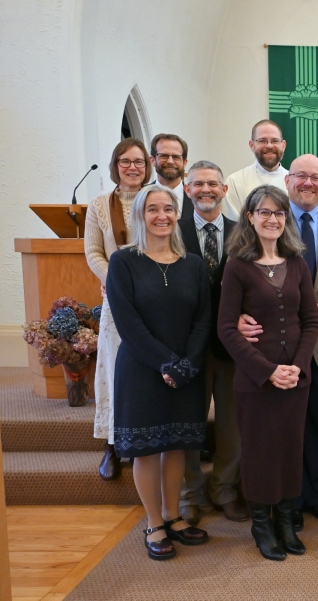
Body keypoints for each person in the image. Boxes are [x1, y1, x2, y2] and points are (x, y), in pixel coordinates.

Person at [238, 155, 318, 532]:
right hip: (275, 349)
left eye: (316, 177)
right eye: (301, 176)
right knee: (281, 428)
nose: (308, 183)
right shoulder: (271, 223)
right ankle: (284, 505)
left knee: (317, 425)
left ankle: (316, 496)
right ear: (287, 180)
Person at [105, 185, 211, 560]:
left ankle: (173, 514)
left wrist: (187, 364)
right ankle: (153, 522)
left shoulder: (193, 264)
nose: (162, 215)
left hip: (185, 370)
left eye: (168, 208)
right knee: (148, 450)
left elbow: (203, 319)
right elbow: (128, 323)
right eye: (153, 209)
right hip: (141, 368)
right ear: (140, 215)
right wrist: (165, 363)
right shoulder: (124, 262)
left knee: (176, 445)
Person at [218, 185, 318, 560]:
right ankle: (262, 526)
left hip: (295, 378)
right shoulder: (237, 266)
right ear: (250, 217)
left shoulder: (296, 263)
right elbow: (227, 328)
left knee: (291, 450)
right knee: (261, 453)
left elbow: (310, 321)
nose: (272, 219)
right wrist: (268, 371)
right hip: (255, 380)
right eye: (265, 212)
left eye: (279, 213)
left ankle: (286, 522)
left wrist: (297, 366)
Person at [176, 160, 246, 526]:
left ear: (224, 190)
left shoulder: (242, 232)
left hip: (232, 346)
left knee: (232, 424)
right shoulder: (172, 231)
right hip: (187, 345)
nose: (205, 189)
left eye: (212, 184)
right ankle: (190, 493)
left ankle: (225, 489)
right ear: (187, 190)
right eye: (197, 184)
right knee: (190, 423)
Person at [84, 138, 153, 481]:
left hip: (156, 297)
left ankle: (147, 439)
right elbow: (93, 252)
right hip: (118, 299)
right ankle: (112, 445)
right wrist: (117, 279)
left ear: (147, 166)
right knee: (114, 367)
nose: (132, 167)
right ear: (115, 165)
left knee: (149, 367)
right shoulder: (99, 205)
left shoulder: (157, 201)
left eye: (139, 162)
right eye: (125, 161)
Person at [222, 120, 289, 220]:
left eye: (275, 141)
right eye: (262, 140)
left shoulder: (294, 182)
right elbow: (234, 224)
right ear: (251, 145)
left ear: (283, 145)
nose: (269, 145)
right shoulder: (235, 181)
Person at [149, 133, 192, 215]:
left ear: (185, 163)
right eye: (164, 156)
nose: (170, 161)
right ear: (153, 160)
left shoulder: (195, 198)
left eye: (176, 157)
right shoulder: (140, 196)